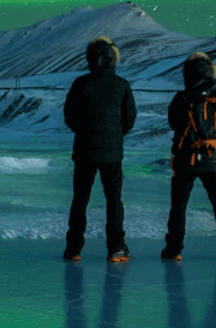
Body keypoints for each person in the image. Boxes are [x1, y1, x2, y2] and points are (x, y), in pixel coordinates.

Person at [63, 35, 137, 262]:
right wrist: (114, 135)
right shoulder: (122, 85)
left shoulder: (80, 83)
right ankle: (116, 248)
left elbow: (69, 116)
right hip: (112, 152)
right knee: (114, 201)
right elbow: (129, 119)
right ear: (113, 59)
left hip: (84, 149)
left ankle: (73, 249)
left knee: (80, 200)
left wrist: (84, 132)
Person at [162, 51, 216, 261]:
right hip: (212, 158)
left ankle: (174, 249)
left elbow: (173, 123)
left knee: (179, 206)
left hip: (186, 159)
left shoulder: (181, 98)